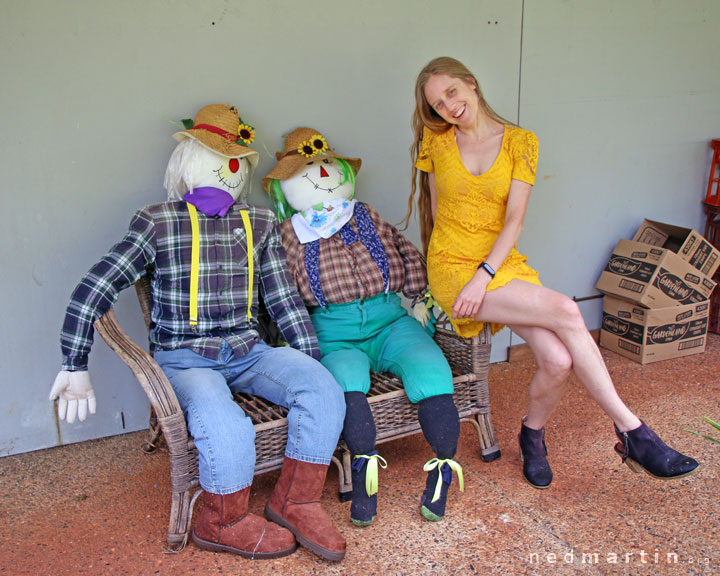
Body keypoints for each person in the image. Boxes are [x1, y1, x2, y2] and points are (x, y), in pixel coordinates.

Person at [49, 104, 347, 562]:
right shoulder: (158, 221)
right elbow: (98, 282)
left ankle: (295, 501)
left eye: (238, 164)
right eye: (219, 160)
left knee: (324, 389)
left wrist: (309, 359)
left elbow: (282, 298)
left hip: (249, 350)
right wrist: (74, 362)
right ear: (189, 163)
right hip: (185, 357)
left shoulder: (258, 222)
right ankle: (221, 521)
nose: (231, 173)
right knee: (224, 424)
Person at [404, 57, 698, 489]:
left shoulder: (521, 142)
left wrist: (485, 273)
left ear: (471, 83)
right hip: (451, 266)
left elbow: (514, 222)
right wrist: (440, 283)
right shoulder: (437, 142)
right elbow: (436, 217)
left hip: (498, 265)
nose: (448, 106)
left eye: (451, 92)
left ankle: (532, 436)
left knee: (558, 360)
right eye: (437, 103)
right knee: (566, 309)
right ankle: (634, 432)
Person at [262, 127, 463, 524]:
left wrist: (422, 296)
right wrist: (284, 338)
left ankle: (441, 472)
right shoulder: (288, 234)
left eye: (325, 164)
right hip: (333, 331)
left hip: (389, 319)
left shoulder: (365, 214)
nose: (320, 173)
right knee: (346, 384)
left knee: (431, 369)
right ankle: (364, 475)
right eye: (307, 169)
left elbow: (403, 249)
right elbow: (277, 290)